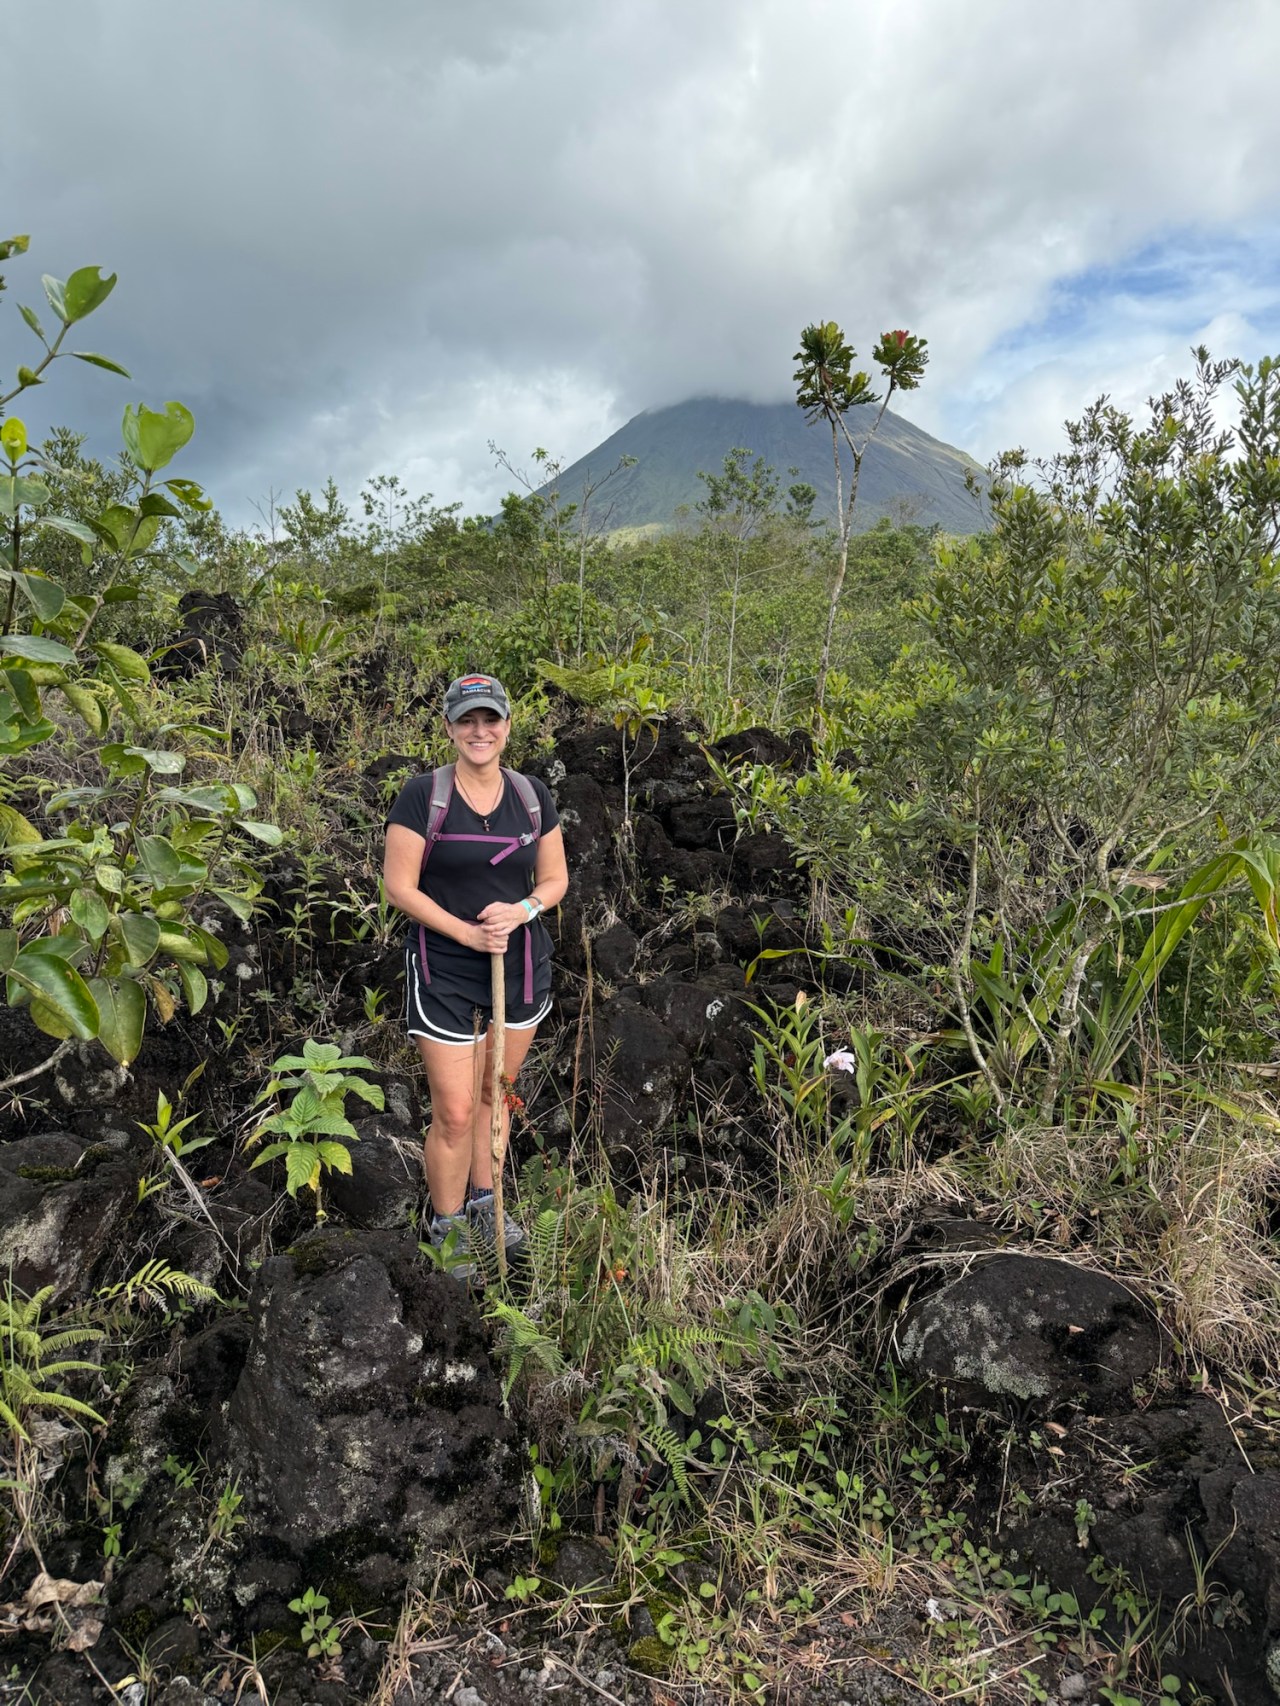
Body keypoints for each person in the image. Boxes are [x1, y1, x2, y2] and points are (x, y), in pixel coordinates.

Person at [383, 673, 568, 1276]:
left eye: (490, 720)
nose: (479, 731)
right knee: (457, 1112)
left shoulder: (532, 795)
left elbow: (554, 881)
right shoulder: (423, 795)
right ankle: (448, 1222)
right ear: (449, 728)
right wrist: (465, 931)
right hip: (444, 967)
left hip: (518, 965)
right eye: (467, 721)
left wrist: (523, 911)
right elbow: (399, 887)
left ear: (507, 726)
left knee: (498, 1094)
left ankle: (489, 1205)